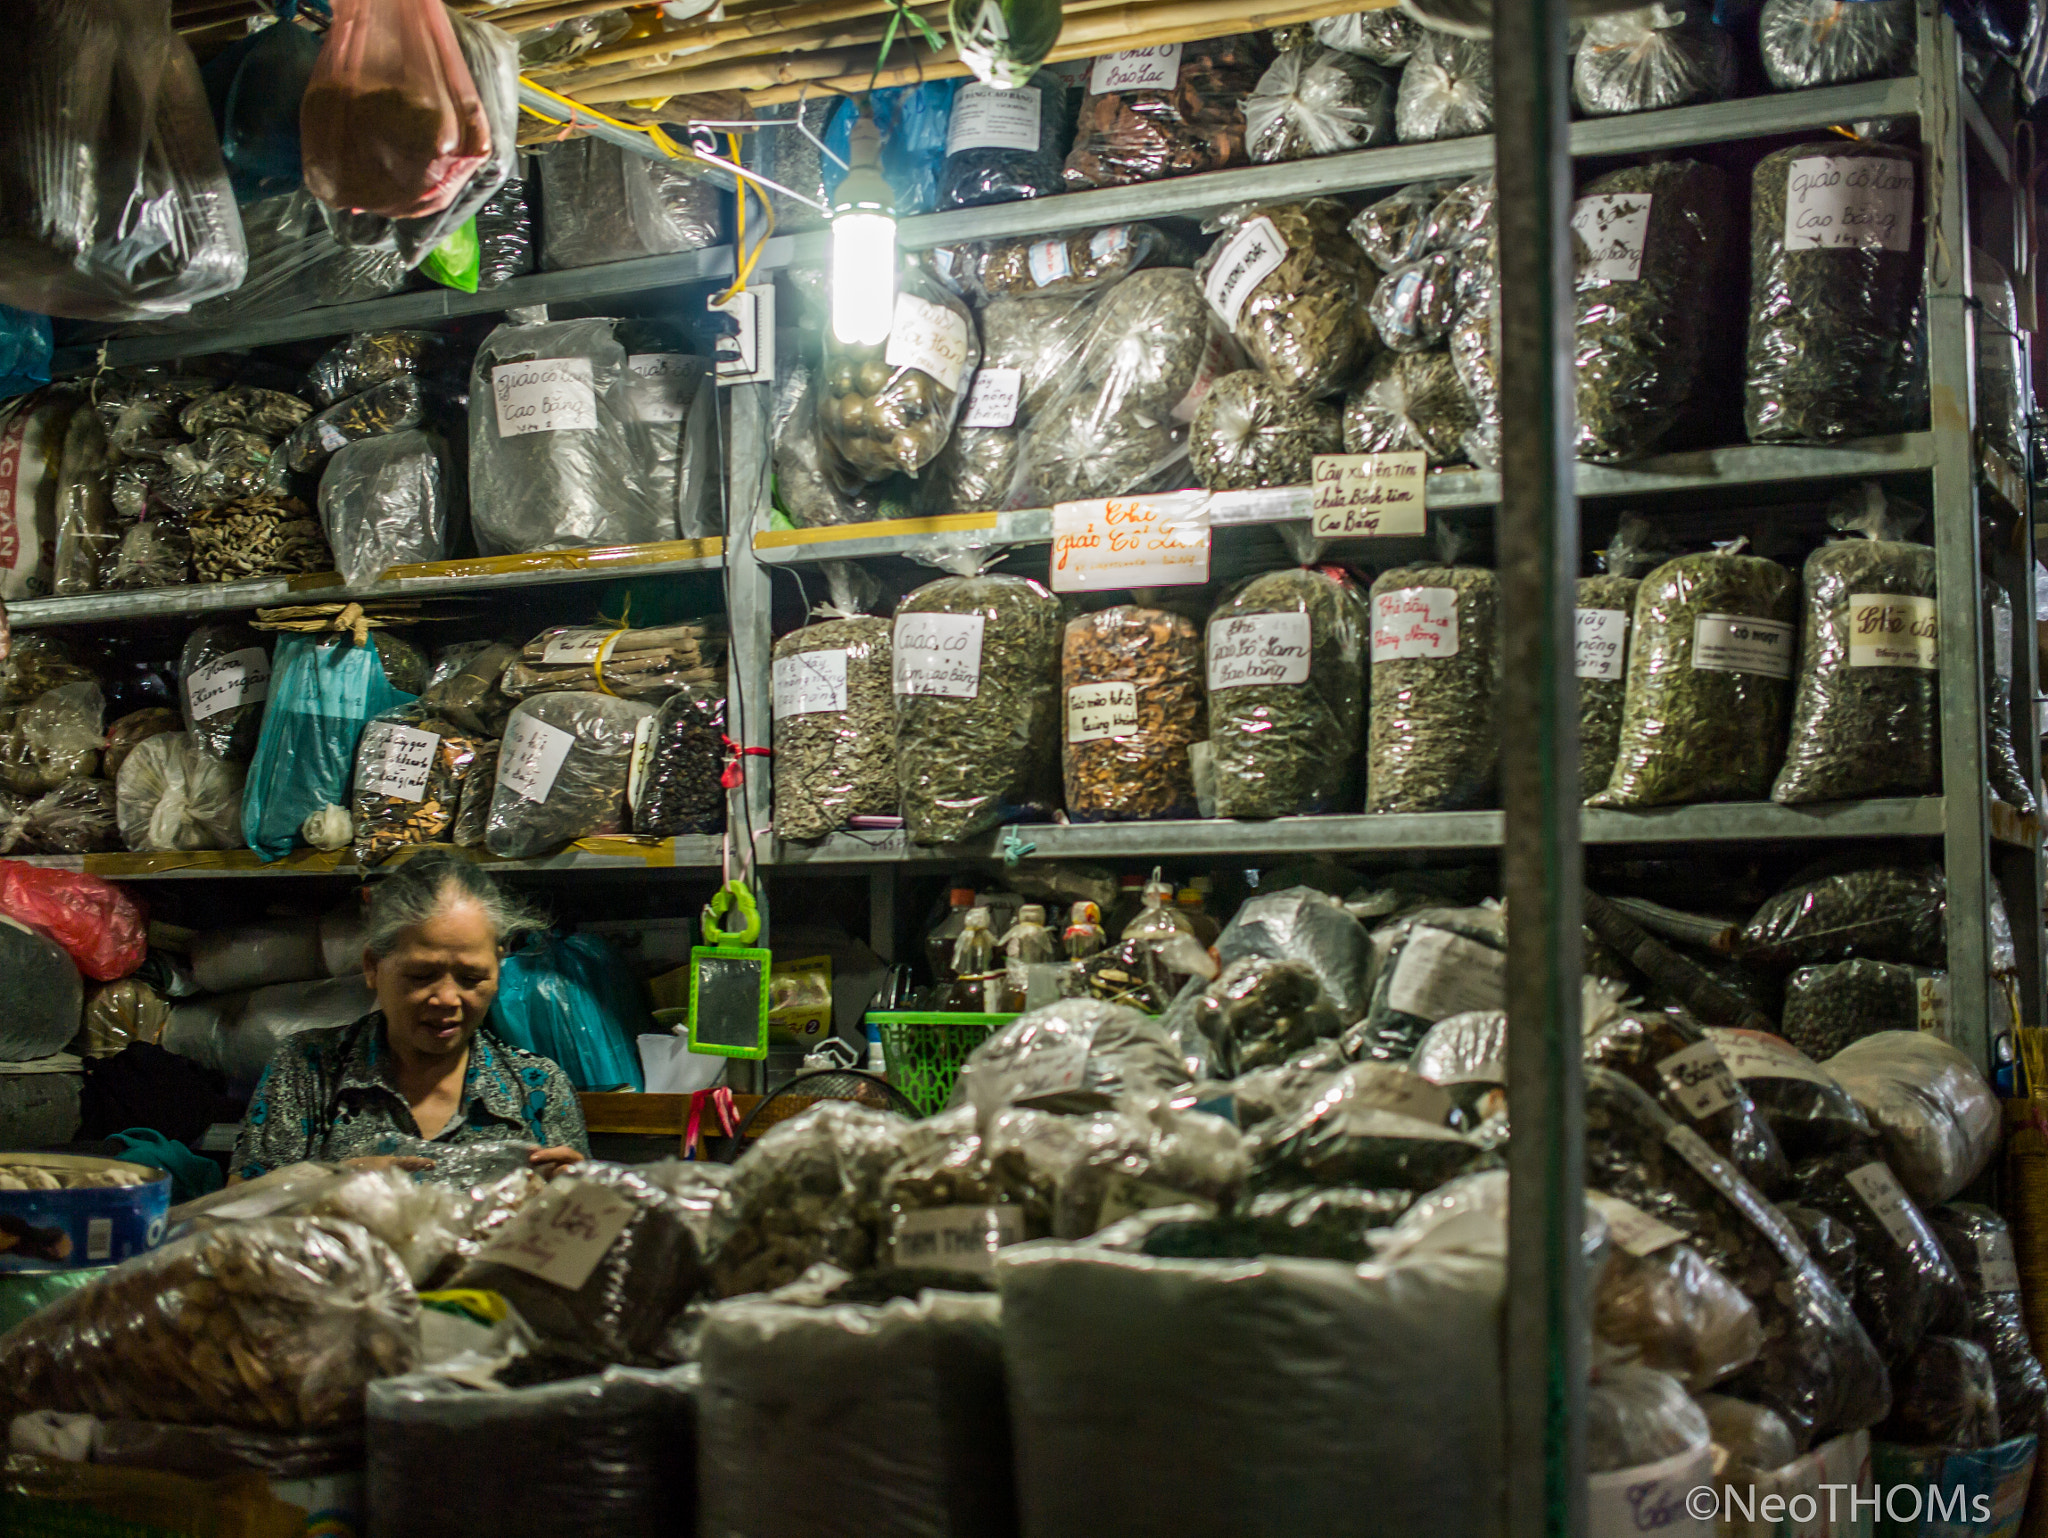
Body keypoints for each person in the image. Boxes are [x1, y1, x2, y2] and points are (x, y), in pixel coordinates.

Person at [230, 850, 588, 1182]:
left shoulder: (540, 1089)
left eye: (471, 978)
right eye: (420, 976)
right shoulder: (307, 1070)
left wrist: (575, 1202)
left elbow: (581, 1238)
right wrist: (333, 1183)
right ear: (372, 967)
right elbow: (237, 1214)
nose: (447, 999)